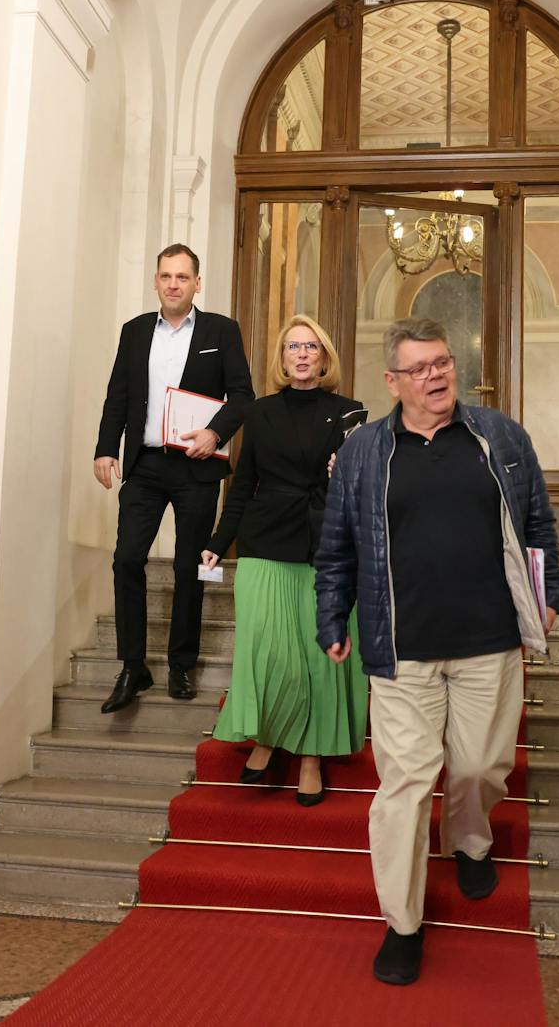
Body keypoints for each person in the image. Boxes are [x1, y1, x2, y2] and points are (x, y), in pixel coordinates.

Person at [314, 316, 559, 986]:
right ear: (392, 381)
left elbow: (537, 520)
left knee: (482, 764)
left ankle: (472, 839)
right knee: (403, 782)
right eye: (419, 368)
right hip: (402, 649)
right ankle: (403, 922)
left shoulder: (499, 435)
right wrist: (330, 615)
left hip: (489, 639)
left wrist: (550, 590)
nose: (436, 376)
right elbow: (336, 544)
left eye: (443, 363)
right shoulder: (365, 451)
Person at [199, 315, 367, 806]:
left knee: (318, 658)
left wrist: (347, 473)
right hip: (264, 540)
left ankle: (312, 756)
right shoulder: (258, 412)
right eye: (293, 346)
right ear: (282, 356)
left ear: (324, 357)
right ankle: (268, 738)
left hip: (325, 543)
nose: (301, 354)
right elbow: (242, 484)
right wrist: (219, 539)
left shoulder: (350, 412)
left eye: (311, 346)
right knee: (269, 653)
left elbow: (362, 490)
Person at [94, 244, 254, 713]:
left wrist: (215, 431)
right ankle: (133, 666)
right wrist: (106, 448)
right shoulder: (135, 331)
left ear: (197, 283)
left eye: (183, 277)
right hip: (145, 465)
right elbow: (117, 396)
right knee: (126, 559)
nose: (173, 284)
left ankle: (181, 663)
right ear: (156, 280)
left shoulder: (221, 331)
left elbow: (243, 396)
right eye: (166, 276)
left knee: (193, 566)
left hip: (197, 466)